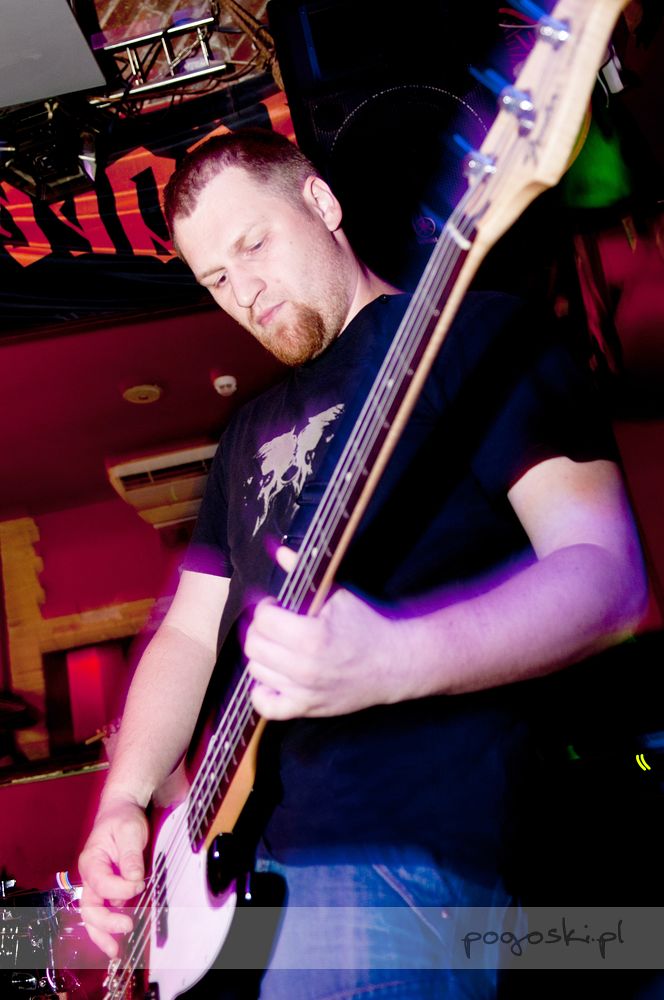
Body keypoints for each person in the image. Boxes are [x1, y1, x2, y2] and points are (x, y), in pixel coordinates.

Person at [78, 128, 647, 998]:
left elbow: (609, 580)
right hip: (243, 873)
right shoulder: (242, 434)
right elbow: (188, 637)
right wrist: (126, 796)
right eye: (216, 280)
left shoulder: (475, 337)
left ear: (321, 202)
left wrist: (394, 658)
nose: (244, 292)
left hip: (402, 843)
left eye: (253, 245)